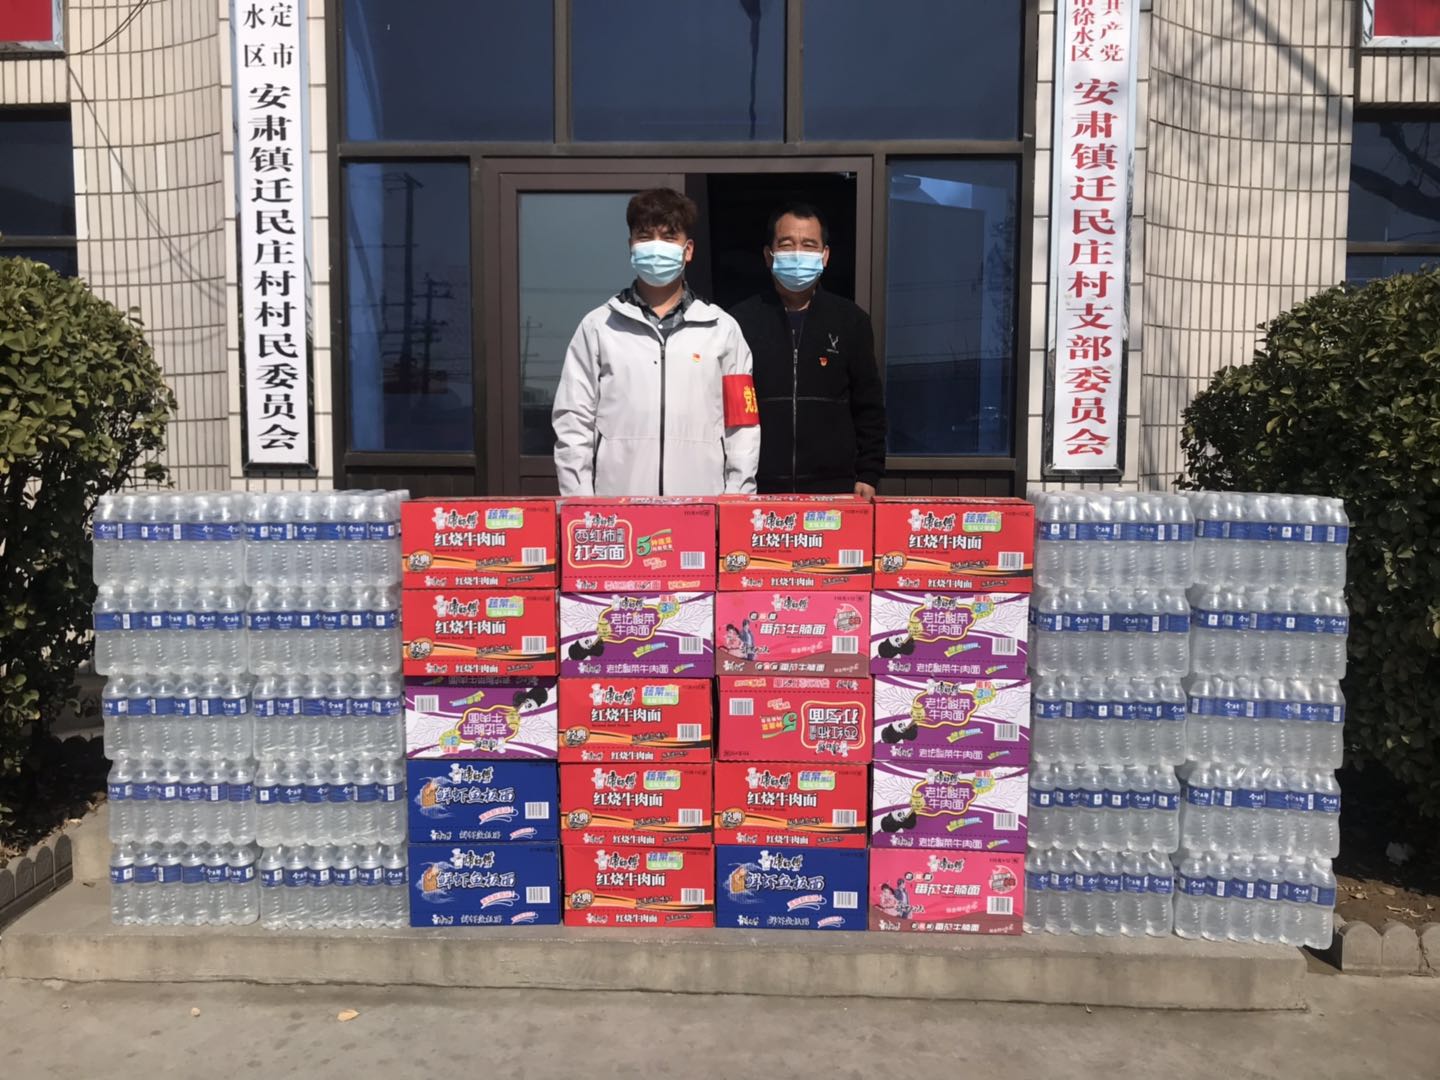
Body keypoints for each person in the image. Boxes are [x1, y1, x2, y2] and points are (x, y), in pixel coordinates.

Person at [552, 188, 761, 496]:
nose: (656, 247)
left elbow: (742, 425)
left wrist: (735, 499)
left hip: (702, 507)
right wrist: (580, 502)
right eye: (645, 237)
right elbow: (573, 420)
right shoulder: (599, 327)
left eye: (668, 237)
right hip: (617, 509)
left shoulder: (722, 330)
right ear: (630, 246)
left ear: (688, 250)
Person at [730, 202, 886, 496]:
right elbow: (728, 408)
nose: (798, 253)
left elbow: (869, 406)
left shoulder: (850, 321)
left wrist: (869, 472)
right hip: (757, 488)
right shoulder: (739, 322)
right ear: (768, 255)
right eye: (787, 245)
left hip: (835, 489)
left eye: (809, 245)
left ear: (824, 256)